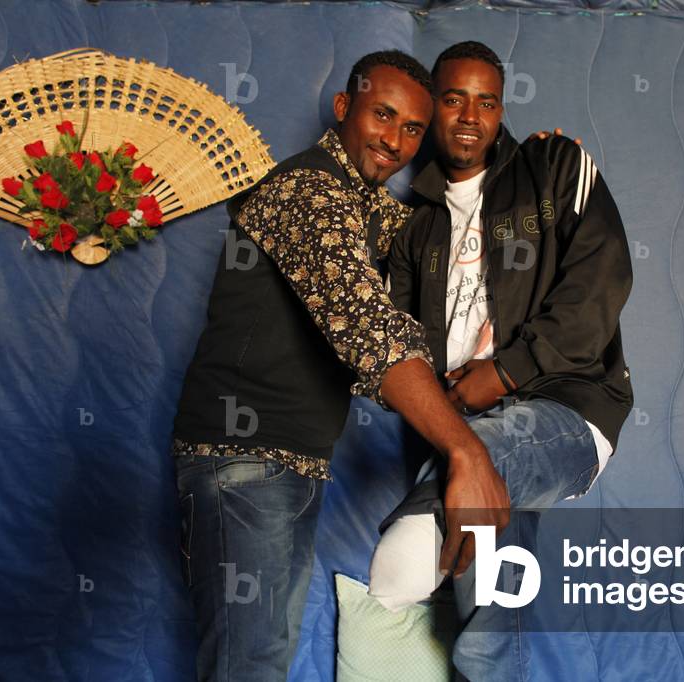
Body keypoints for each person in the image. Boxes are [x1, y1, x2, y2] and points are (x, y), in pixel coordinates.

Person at [169, 50, 509, 682]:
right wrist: (467, 452)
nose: (396, 141)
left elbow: (432, 234)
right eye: (383, 115)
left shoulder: (363, 205)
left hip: (286, 464)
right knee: (249, 668)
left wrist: (533, 169)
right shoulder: (310, 190)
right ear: (344, 107)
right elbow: (370, 330)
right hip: (243, 462)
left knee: (260, 660)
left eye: (413, 129)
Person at [367, 41, 634, 680]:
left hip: (564, 410)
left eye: (486, 101)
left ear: (501, 110)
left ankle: (416, 525)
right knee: (487, 624)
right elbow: (396, 344)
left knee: (439, 536)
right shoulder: (414, 225)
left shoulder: (553, 166)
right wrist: (447, 402)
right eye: (454, 99)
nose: (469, 116)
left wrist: (507, 370)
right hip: (463, 434)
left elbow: (601, 282)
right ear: (432, 110)